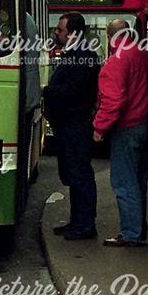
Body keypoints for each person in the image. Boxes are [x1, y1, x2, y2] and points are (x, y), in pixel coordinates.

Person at [93, 19, 148, 247]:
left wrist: (100, 127)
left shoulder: (116, 61)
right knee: (139, 180)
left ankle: (130, 232)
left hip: (127, 126)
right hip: (147, 123)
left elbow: (114, 99)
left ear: (110, 36)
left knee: (123, 181)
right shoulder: (144, 55)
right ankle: (139, 229)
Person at [43, 12, 101, 240]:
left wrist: (47, 90)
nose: (57, 33)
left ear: (73, 33)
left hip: (75, 124)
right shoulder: (75, 54)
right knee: (73, 175)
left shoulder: (83, 56)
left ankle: (84, 225)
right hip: (68, 123)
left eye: (60, 30)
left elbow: (74, 92)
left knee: (79, 175)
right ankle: (77, 222)